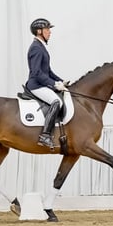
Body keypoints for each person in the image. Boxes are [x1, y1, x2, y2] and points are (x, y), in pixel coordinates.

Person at [25, 18, 67, 149]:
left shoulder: (41, 47)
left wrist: (60, 81)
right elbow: (37, 73)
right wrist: (54, 85)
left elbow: (48, 71)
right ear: (39, 31)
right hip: (36, 85)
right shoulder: (36, 48)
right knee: (56, 102)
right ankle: (45, 136)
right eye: (47, 29)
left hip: (41, 83)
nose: (50, 32)